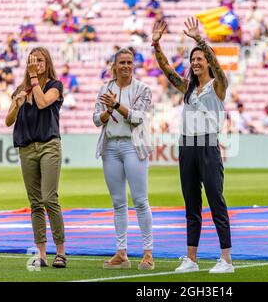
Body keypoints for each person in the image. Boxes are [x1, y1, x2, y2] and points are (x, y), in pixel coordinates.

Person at [152, 18, 234, 274]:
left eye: (200, 59)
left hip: (208, 145)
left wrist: (200, 40)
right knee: (191, 204)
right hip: (187, 146)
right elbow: (167, 70)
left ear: (207, 61)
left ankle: (226, 260)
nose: (196, 62)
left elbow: (219, 68)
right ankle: (191, 259)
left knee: (216, 200)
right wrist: (156, 45)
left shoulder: (218, 86)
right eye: (193, 59)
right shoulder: (188, 88)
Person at [4, 47, 67, 269]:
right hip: (27, 148)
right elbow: (8, 120)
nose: (36, 64)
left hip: (49, 144)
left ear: (47, 63)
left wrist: (33, 78)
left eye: (40, 61)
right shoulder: (21, 89)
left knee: (50, 198)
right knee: (35, 203)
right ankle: (41, 253)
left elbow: (42, 103)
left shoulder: (54, 86)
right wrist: (17, 104)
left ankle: (60, 251)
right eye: (33, 61)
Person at [93, 48, 155, 271]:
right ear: (115, 65)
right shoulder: (105, 89)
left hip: (133, 146)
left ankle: (148, 253)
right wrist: (108, 111)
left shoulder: (143, 89)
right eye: (122, 63)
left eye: (130, 62)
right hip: (110, 146)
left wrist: (116, 105)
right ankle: (121, 252)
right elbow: (96, 120)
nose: (126, 66)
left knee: (140, 200)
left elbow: (138, 117)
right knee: (118, 202)